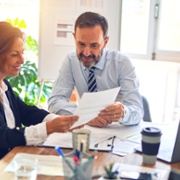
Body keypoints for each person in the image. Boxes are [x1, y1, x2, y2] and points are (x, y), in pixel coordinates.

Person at [48, 12, 143, 127]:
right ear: (74, 38)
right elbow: (54, 102)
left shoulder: (122, 63)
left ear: (105, 42)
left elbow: (138, 111)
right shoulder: (71, 60)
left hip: (118, 132)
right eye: (81, 44)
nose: (86, 53)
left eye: (94, 46)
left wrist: (123, 112)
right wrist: (84, 115)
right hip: (87, 131)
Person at [0, 21, 79, 159]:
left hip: (12, 159)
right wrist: (48, 128)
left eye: (22, 52)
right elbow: (4, 136)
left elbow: (25, 112)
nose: (22, 60)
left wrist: (60, 120)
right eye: (14, 54)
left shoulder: (4, 84)